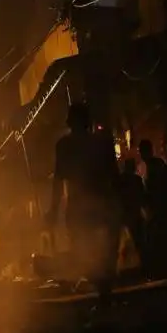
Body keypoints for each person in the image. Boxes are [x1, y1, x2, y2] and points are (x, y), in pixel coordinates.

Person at [49, 102, 121, 308]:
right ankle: (104, 296)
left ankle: (103, 298)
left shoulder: (65, 146)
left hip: (83, 208)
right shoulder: (100, 143)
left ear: (70, 123)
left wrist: (53, 212)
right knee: (99, 253)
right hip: (97, 206)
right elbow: (113, 176)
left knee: (89, 253)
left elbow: (58, 181)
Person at [139, 139, 167, 276]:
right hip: (162, 210)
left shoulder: (153, 167)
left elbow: (154, 190)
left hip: (161, 210)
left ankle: (164, 270)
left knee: (160, 239)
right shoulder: (154, 166)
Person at [118, 157, 149, 277]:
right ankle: (142, 269)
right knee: (138, 244)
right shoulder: (136, 180)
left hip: (124, 216)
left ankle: (122, 269)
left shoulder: (120, 180)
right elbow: (142, 198)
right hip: (134, 216)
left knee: (124, 244)